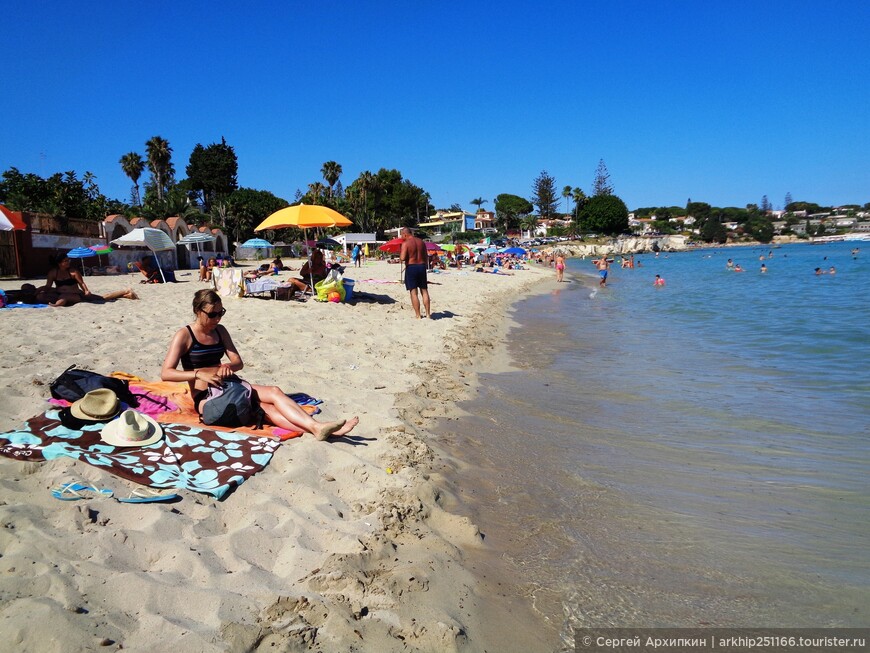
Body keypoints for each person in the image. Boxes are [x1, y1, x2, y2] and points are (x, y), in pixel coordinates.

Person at [162, 289, 358, 440]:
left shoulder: (220, 331)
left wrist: (228, 367)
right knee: (263, 408)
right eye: (212, 314)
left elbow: (238, 362)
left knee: (273, 392)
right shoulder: (185, 335)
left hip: (230, 384)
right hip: (207, 397)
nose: (218, 318)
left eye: (221, 312)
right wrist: (199, 375)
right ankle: (323, 430)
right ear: (198, 311)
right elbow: (166, 373)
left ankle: (318, 428)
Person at [38, 253, 138, 307]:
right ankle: (126, 295)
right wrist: (41, 290)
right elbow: (48, 286)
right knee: (102, 298)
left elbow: (81, 283)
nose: (68, 262)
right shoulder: (53, 273)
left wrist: (86, 291)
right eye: (65, 261)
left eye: (68, 260)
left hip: (77, 295)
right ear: (59, 263)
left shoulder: (73, 272)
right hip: (62, 295)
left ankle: (125, 290)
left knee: (102, 298)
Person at [400, 227, 432, 319]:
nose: (402, 237)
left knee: (413, 292)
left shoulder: (405, 243)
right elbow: (426, 257)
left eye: (402, 235)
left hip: (411, 266)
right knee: (424, 291)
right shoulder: (421, 242)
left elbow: (402, 258)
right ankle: (428, 314)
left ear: (405, 234)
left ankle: (418, 315)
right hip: (422, 266)